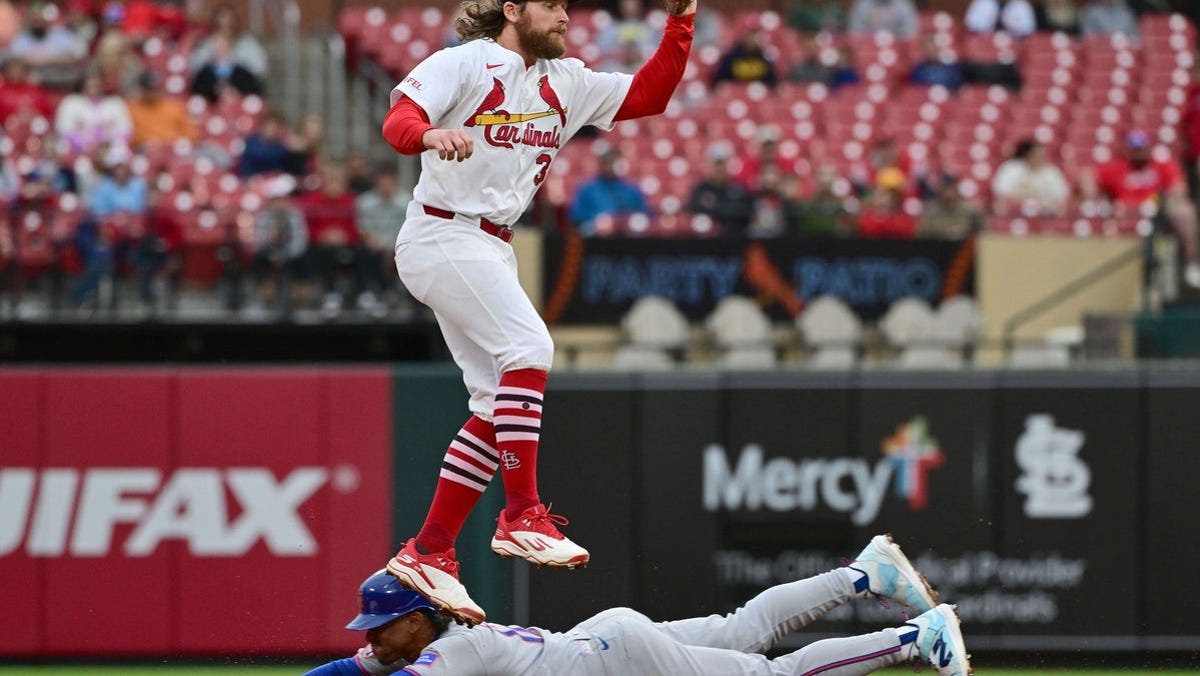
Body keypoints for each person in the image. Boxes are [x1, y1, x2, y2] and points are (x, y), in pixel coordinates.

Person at [378, 0, 697, 625]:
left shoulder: (566, 79)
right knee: (531, 350)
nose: (564, 16)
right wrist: (430, 134)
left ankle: (430, 548)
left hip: (493, 246)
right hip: (442, 232)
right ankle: (522, 512)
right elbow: (399, 120)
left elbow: (648, 95)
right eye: (551, 5)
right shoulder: (466, 62)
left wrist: (679, 25)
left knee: (493, 403)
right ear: (512, 9)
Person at [303, 535, 971, 676]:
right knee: (745, 631)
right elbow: (348, 672)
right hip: (602, 643)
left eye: (380, 629)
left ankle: (917, 636)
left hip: (618, 663)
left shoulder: (450, 651)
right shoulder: (430, 640)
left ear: (415, 621)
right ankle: (864, 574)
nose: (373, 641)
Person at [1082, 130, 1200, 287]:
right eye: (1134, 148)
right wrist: (1091, 194)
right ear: (1128, 150)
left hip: (1157, 211)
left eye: (1141, 147)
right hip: (1126, 212)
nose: (1138, 152)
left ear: (1148, 148)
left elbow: (1179, 188)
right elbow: (1087, 174)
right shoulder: (1118, 167)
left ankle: (1192, 263)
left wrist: (1162, 200)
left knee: (1184, 211)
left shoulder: (1161, 165)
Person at [188, 2, 268, 101]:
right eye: (221, 24)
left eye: (229, 22)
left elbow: (258, 70)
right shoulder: (206, 47)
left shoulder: (247, 45)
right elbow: (196, 70)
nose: (225, 25)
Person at [569, 147, 651, 235]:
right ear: (601, 164)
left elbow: (644, 212)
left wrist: (625, 221)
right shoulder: (587, 188)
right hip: (595, 233)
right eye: (608, 162)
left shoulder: (631, 188)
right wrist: (598, 221)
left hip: (625, 232)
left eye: (614, 162)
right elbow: (576, 215)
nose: (610, 166)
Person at [54, 70, 134, 156]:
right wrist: (84, 143)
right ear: (83, 85)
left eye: (97, 85)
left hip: (110, 149)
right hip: (77, 150)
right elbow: (63, 129)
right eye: (89, 85)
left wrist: (106, 144)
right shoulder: (71, 102)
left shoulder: (115, 103)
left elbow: (126, 130)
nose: (93, 88)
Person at [991, 138, 1071, 216]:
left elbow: (1061, 199)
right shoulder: (1011, 168)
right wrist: (1025, 203)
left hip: (1046, 214)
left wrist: (1041, 204)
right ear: (1028, 154)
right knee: (1001, 206)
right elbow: (1002, 195)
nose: (1040, 157)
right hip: (1014, 213)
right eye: (1036, 154)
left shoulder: (1051, 172)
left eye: (1042, 154)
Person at [687, 142, 751, 234]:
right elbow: (692, 207)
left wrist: (712, 207)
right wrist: (727, 209)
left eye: (723, 164)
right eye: (717, 164)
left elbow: (745, 211)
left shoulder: (738, 187)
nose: (720, 168)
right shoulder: (701, 188)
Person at [126, 71, 199, 149]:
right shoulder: (130, 108)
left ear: (160, 88)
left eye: (154, 88)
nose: (152, 92)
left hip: (173, 149)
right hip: (144, 151)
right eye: (148, 89)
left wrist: (177, 141)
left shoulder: (175, 107)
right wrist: (142, 141)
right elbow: (125, 136)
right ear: (142, 89)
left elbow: (192, 134)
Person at [711, 16, 777, 88]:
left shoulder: (765, 57)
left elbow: (772, 84)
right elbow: (720, 82)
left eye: (755, 34)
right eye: (749, 34)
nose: (752, 38)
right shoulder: (730, 57)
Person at [919, 174, 985, 239]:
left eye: (951, 188)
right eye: (946, 188)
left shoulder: (971, 210)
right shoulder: (931, 210)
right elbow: (924, 236)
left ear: (957, 188)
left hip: (965, 247)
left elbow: (983, 233)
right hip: (938, 247)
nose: (949, 192)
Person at [848, 0, 918, 38]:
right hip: (868, 50)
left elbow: (910, 33)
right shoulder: (862, 5)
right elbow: (856, 33)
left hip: (898, 49)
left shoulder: (903, 5)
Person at [964, 0, 1037, 37]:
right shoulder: (982, 2)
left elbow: (1029, 30)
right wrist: (991, 19)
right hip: (985, 44)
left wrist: (1010, 23)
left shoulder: (1021, 5)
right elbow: (970, 25)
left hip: (1015, 46)